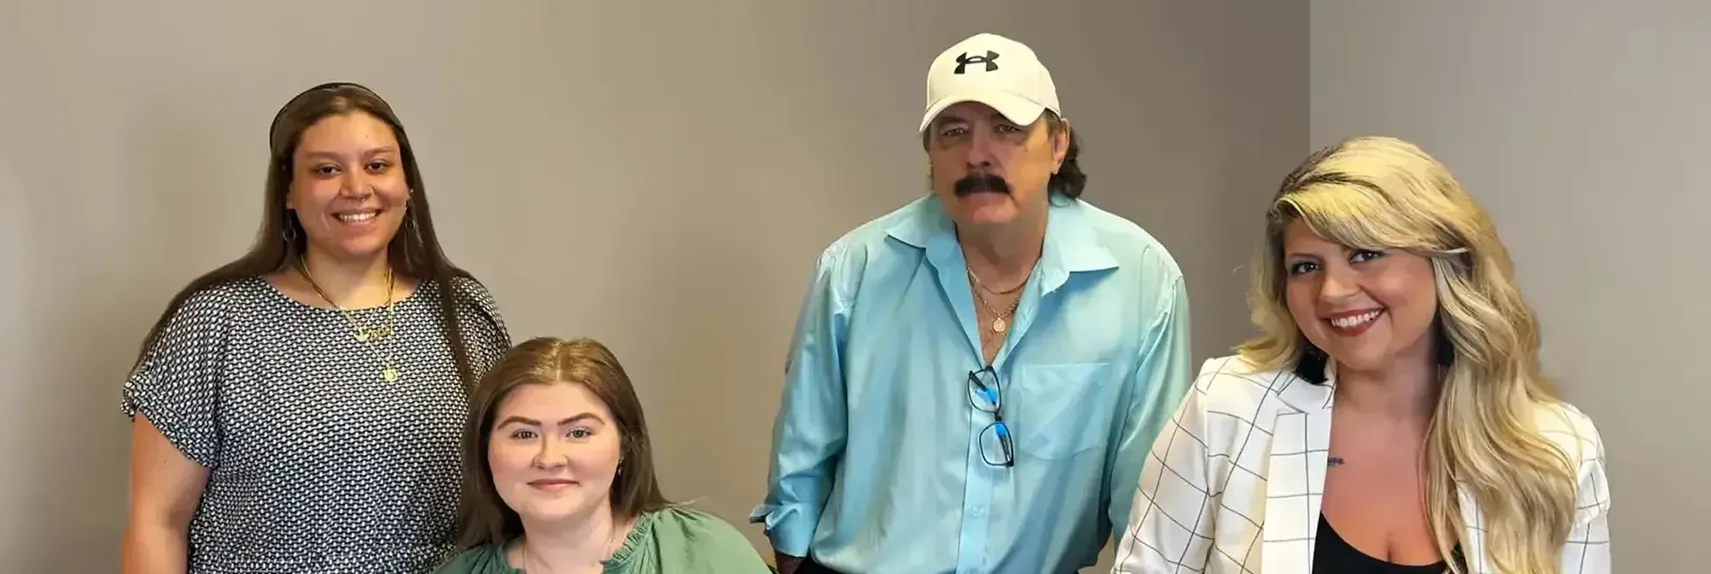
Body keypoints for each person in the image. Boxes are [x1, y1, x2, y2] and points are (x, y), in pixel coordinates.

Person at [752, 32, 1196, 574]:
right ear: (931, 154)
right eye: (953, 132)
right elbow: (802, 455)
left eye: (1007, 129)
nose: (977, 154)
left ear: (1058, 145)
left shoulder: (1141, 280)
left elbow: (1147, 498)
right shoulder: (856, 269)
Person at [1110, 136, 1612, 574]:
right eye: (1306, 266)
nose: (1332, 291)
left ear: (1446, 261)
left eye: (1365, 255)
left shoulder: (1556, 449)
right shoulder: (1228, 406)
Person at [120, 82, 513, 573]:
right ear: (288, 190)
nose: (356, 187)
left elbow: (516, 489)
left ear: (407, 183)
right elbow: (157, 519)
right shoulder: (217, 320)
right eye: (327, 169)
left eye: (377, 165)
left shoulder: (464, 309)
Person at [438, 336, 771, 573]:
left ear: (626, 444)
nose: (550, 458)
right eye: (524, 434)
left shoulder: (702, 551)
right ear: (485, 450)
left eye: (578, 433)